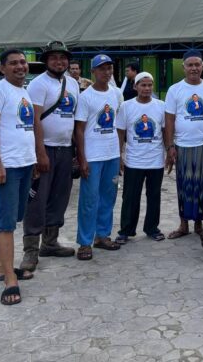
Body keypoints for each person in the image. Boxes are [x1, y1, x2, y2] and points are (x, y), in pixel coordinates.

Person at [0, 49, 37, 305]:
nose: (20, 66)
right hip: (7, 166)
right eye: (13, 63)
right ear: (2, 68)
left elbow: (25, 128)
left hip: (24, 163)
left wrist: (32, 160)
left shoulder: (24, 91)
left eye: (23, 62)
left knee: (15, 217)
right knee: (5, 223)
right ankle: (10, 281)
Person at [19, 41, 79, 274]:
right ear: (46, 61)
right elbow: (34, 120)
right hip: (45, 148)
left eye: (63, 58)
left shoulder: (72, 83)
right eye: (54, 58)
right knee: (37, 199)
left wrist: (76, 152)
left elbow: (74, 118)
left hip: (65, 148)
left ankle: (50, 242)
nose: (59, 62)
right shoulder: (38, 84)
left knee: (59, 197)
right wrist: (40, 153)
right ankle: (31, 250)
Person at [164, 49, 203, 239]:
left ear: (202, 66)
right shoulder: (175, 90)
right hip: (183, 145)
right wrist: (170, 146)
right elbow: (169, 119)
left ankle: (199, 223)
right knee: (185, 185)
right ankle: (183, 225)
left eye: (197, 64)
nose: (194, 68)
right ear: (184, 67)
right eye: (190, 65)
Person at [74, 54, 123, 260]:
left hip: (112, 154)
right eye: (102, 68)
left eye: (109, 68)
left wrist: (120, 153)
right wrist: (82, 158)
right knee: (89, 199)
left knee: (108, 197)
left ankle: (102, 235)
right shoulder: (86, 97)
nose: (106, 72)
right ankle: (85, 242)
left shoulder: (117, 93)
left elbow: (119, 125)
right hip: (93, 156)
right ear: (93, 71)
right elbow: (79, 129)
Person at [115, 72, 167, 243]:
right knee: (130, 197)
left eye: (149, 85)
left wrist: (169, 151)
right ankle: (126, 230)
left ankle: (152, 228)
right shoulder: (126, 106)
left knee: (154, 196)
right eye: (143, 85)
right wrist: (119, 155)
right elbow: (120, 132)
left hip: (155, 160)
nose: (146, 88)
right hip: (133, 160)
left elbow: (165, 131)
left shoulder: (161, 106)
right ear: (135, 86)